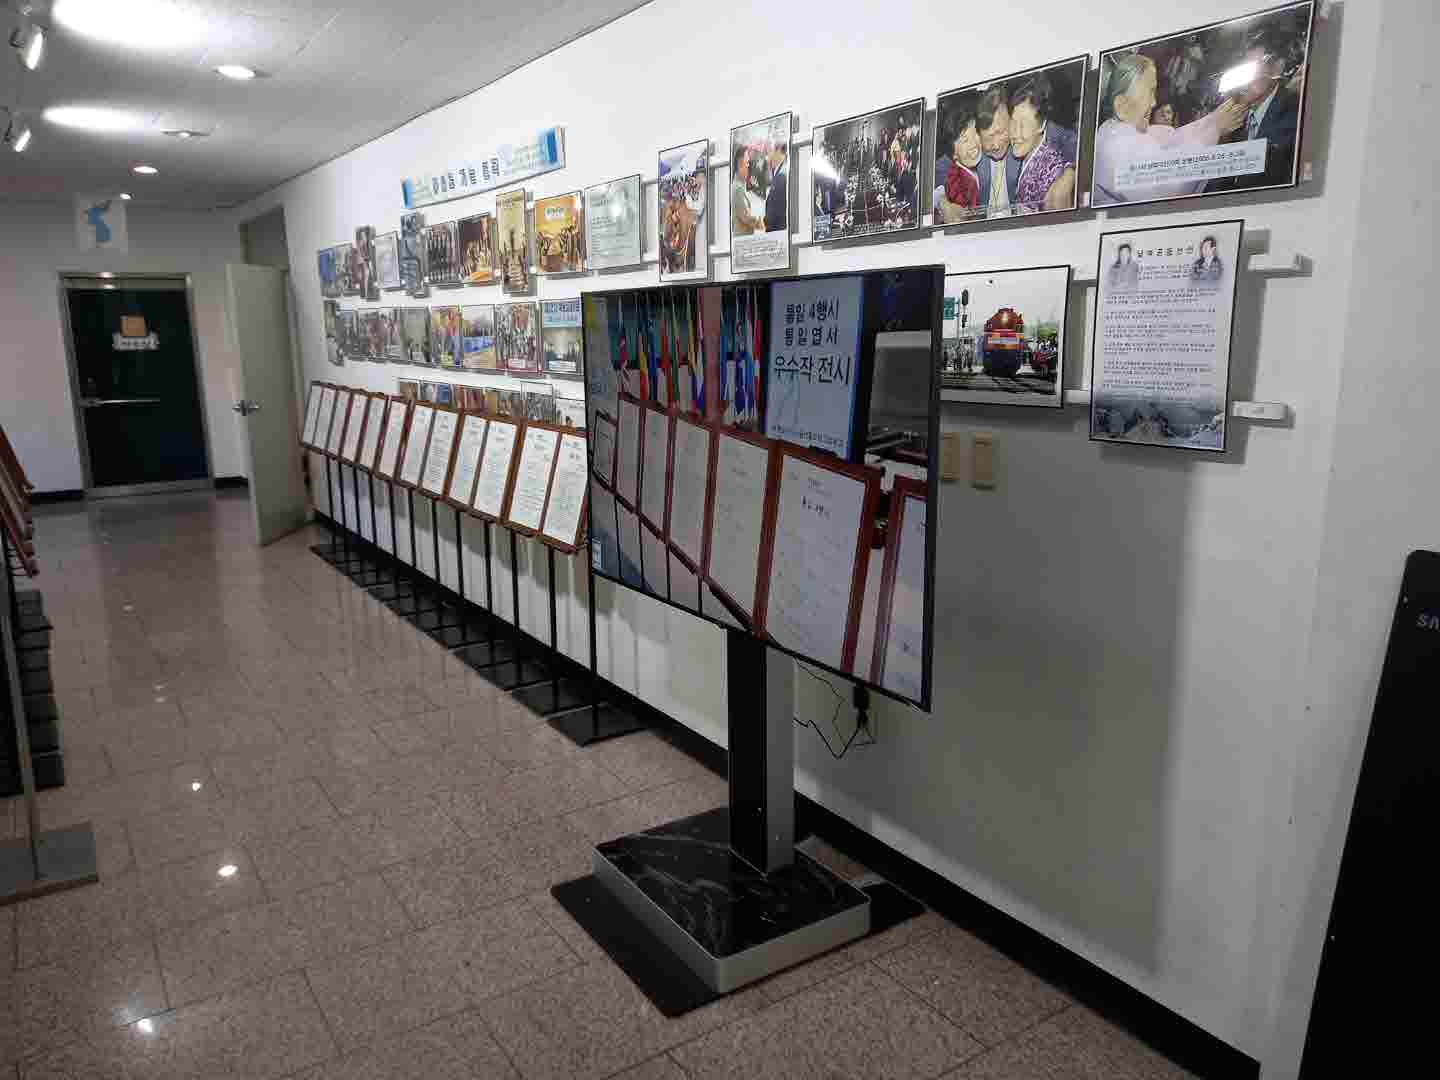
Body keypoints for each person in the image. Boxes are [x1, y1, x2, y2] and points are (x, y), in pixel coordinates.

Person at [1093, 52, 1245, 206]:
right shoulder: (1116, 145)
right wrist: (1214, 128)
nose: (1153, 103)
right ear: (1122, 104)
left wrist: (1212, 121)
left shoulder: (1119, 131)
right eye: (1149, 92)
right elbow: (1169, 184)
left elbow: (1173, 141)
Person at [1206, 28, 1303, 192]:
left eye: (1252, 69)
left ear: (1277, 68)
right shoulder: (1231, 115)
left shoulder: (1296, 113)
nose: (1243, 80)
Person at [1008, 75, 1077, 213]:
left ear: (1042, 125)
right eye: (1013, 122)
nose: (1016, 133)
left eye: (1024, 124)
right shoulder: (1023, 152)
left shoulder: (1051, 174)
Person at [973, 87, 1019, 216]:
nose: (996, 145)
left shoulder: (1022, 143)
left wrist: (1068, 174)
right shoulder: (973, 150)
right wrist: (942, 199)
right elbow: (942, 167)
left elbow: (1064, 138)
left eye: (1001, 132)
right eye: (988, 138)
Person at [934, 106, 981, 224]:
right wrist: (942, 201)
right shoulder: (949, 173)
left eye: (976, 134)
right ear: (953, 153)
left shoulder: (988, 161)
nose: (973, 144)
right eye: (965, 140)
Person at [730, 145, 764, 237]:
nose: (749, 166)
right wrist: (760, 223)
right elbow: (746, 217)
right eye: (747, 162)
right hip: (742, 239)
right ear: (740, 164)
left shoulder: (739, 185)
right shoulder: (738, 188)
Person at [764, 140, 788, 233]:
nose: (767, 157)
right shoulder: (780, 171)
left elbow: (773, 212)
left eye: (769, 151)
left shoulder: (781, 175)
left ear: (778, 150)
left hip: (777, 231)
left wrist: (766, 222)